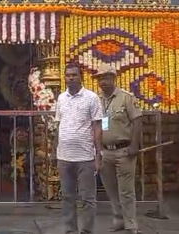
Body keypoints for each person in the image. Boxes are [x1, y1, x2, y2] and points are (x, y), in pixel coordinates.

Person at [94, 64, 143, 234]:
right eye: (100, 79)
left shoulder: (126, 98)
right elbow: (96, 125)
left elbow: (137, 121)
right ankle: (118, 219)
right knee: (110, 188)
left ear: (114, 79)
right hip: (105, 151)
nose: (103, 82)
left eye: (106, 78)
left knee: (126, 190)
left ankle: (131, 223)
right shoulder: (97, 101)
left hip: (124, 151)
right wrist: (98, 151)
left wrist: (134, 145)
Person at [55, 63, 103, 234]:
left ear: (81, 76)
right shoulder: (61, 98)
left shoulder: (92, 98)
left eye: (74, 75)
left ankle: (87, 230)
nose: (71, 78)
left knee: (87, 198)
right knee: (67, 196)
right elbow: (59, 124)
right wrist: (57, 152)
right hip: (64, 157)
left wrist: (98, 155)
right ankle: (70, 230)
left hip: (85, 157)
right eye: (68, 75)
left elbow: (97, 127)